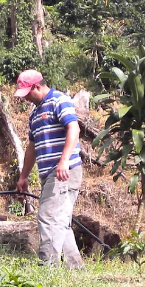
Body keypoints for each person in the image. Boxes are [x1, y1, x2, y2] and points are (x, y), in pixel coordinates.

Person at [14, 69, 85, 270]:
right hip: (48, 174)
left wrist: (63, 161)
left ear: (37, 86)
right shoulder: (35, 113)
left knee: (48, 217)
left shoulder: (59, 100)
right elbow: (31, 146)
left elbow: (74, 128)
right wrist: (24, 176)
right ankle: (75, 268)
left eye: (27, 93)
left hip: (63, 170)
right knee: (60, 220)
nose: (26, 98)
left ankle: (48, 267)